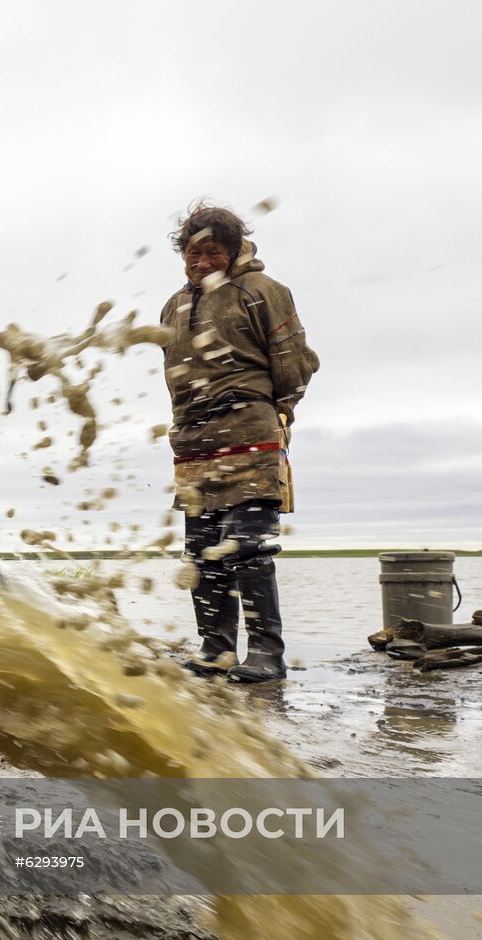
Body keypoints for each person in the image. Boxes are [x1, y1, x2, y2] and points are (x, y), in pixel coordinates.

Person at [159, 202, 319, 683]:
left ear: (232, 251)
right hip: (193, 443)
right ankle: (216, 650)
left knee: (248, 546)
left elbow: (295, 364)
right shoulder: (173, 305)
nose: (201, 262)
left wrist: (275, 410)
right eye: (192, 253)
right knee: (202, 551)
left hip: (249, 430)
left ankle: (268, 654)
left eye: (212, 252)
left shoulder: (263, 290)